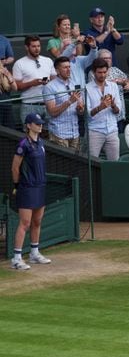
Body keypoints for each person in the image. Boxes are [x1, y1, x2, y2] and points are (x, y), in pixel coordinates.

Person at [10, 113, 51, 270]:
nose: (40, 126)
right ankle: (16, 258)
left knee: (37, 221)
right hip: (27, 187)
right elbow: (15, 167)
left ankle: (34, 253)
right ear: (28, 126)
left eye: (41, 123)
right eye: (37, 123)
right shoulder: (23, 145)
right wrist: (17, 184)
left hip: (40, 186)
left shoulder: (41, 142)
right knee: (25, 223)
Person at [12, 35, 56, 126]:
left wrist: (48, 83)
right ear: (27, 47)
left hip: (48, 104)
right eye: (34, 46)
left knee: (49, 136)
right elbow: (16, 86)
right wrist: (32, 83)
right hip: (29, 105)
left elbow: (55, 80)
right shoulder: (19, 64)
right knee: (30, 136)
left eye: (38, 46)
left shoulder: (48, 61)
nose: (37, 49)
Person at [43, 56, 84, 151]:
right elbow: (52, 112)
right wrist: (69, 102)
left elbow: (81, 110)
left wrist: (80, 109)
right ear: (57, 70)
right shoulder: (49, 87)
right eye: (65, 67)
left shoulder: (75, 84)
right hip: (59, 134)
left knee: (77, 164)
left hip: (75, 133)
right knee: (63, 165)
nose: (68, 69)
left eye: (69, 67)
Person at [86, 58, 123, 160]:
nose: (102, 75)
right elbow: (87, 113)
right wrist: (100, 107)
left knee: (114, 164)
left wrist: (113, 105)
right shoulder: (87, 88)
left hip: (112, 130)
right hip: (95, 131)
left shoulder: (113, 86)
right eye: (99, 72)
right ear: (93, 72)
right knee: (92, 163)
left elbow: (118, 111)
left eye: (104, 72)